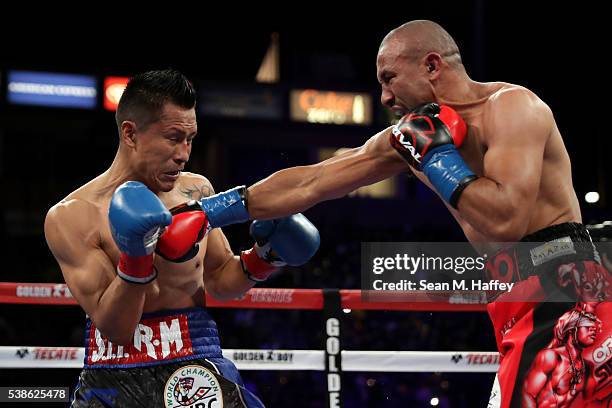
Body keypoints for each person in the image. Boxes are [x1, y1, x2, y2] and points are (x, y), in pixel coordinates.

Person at [207, 20, 611, 407]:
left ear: (432, 65)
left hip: (568, 295)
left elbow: (506, 221)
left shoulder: (512, 107)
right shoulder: (410, 136)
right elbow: (311, 182)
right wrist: (208, 212)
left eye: (389, 78)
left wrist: (440, 160)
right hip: (513, 302)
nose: (384, 96)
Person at [44, 69, 320, 407]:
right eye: (174, 138)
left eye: (190, 139)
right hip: (115, 373)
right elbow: (116, 329)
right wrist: (136, 255)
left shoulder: (195, 189)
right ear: (131, 134)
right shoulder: (71, 215)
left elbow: (220, 280)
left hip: (195, 359)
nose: (184, 153)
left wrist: (264, 258)